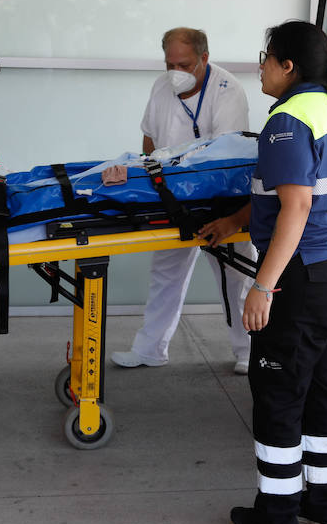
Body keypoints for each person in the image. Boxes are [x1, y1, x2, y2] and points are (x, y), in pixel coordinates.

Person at [228, 21, 327, 524]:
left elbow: (298, 206)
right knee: (326, 389)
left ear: (288, 66)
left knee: (279, 394)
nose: (260, 67)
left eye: (266, 58)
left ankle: (277, 516)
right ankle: (324, 507)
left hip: (302, 276)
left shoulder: (287, 120)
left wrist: (263, 286)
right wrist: (233, 222)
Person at [107, 27, 254, 375]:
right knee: (165, 272)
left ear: (204, 58)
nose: (176, 71)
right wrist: (155, 184)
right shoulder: (162, 86)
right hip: (173, 197)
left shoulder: (226, 90)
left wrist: (227, 215)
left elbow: (227, 155)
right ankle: (150, 348)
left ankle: (249, 349)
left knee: (237, 275)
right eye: (170, 62)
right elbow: (149, 137)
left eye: (184, 64)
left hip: (218, 199)